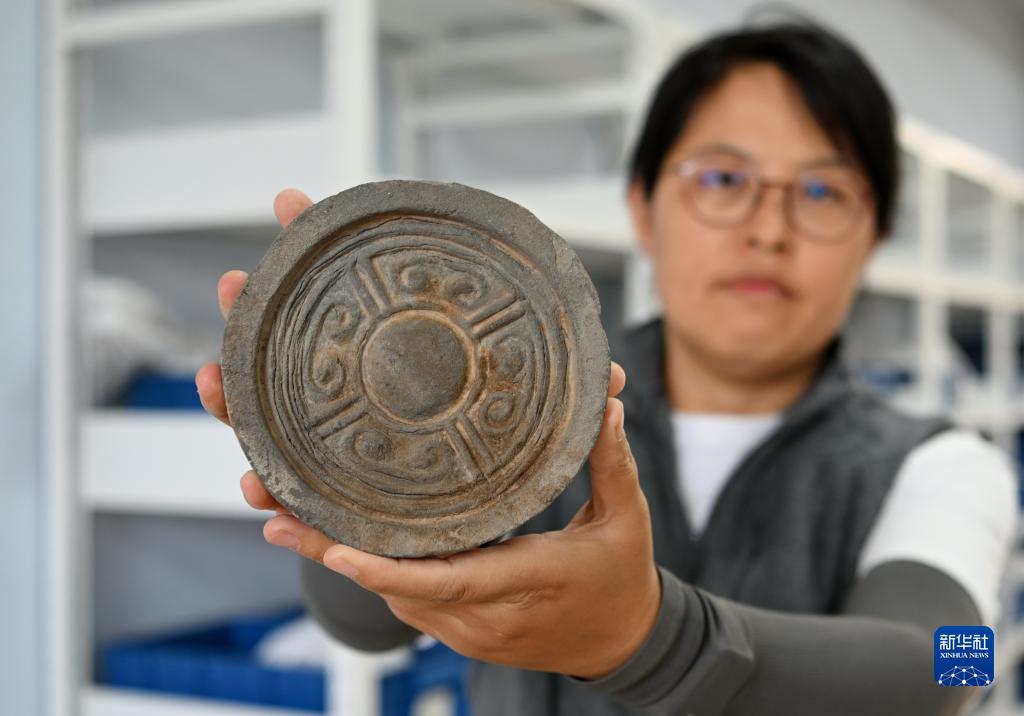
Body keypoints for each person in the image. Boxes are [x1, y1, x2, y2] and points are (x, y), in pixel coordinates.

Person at [196, 16, 1019, 716]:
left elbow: (953, 673)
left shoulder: (952, 466)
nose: (768, 228)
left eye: (820, 193)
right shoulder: (536, 408)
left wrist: (656, 639)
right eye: (723, 178)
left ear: (874, 236)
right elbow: (362, 628)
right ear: (644, 208)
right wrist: (349, 484)